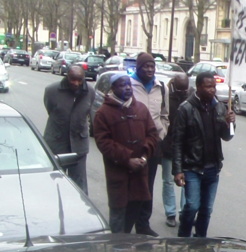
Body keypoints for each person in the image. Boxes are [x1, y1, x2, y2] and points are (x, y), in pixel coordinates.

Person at [172, 71, 235, 237]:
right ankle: (183, 238)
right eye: (208, 87)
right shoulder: (185, 109)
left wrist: (230, 123)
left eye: (214, 86)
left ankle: (201, 240)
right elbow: (177, 141)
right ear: (199, 87)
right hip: (192, 167)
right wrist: (178, 170)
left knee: (206, 209)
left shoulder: (219, 107)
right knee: (192, 206)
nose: (212, 90)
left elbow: (227, 136)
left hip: (212, 167)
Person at [94, 74, 159, 233]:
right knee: (118, 221)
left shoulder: (141, 109)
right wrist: (127, 158)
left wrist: (144, 156)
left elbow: (152, 134)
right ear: (113, 88)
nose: (128, 88)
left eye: (129, 84)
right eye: (123, 85)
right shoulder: (103, 113)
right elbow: (104, 142)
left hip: (139, 173)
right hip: (118, 175)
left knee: (133, 213)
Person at [131, 52, 170, 237]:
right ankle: (126, 222)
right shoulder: (128, 85)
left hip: (153, 144)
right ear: (138, 67)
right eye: (146, 66)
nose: (149, 69)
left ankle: (143, 224)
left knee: (148, 185)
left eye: (152, 66)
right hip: (132, 145)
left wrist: (161, 133)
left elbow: (165, 114)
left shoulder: (161, 88)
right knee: (131, 184)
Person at [43, 65, 94, 194]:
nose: (76, 83)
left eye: (79, 80)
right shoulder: (52, 90)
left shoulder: (89, 91)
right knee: (56, 182)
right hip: (56, 143)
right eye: (72, 80)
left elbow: (88, 111)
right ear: (67, 77)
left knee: (79, 185)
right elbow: (50, 109)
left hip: (79, 146)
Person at [161, 73, 190, 227]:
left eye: (184, 90)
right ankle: (170, 213)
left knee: (187, 181)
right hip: (169, 145)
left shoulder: (191, 96)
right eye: (180, 90)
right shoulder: (165, 97)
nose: (183, 92)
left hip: (186, 147)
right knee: (168, 180)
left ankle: (185, 211)